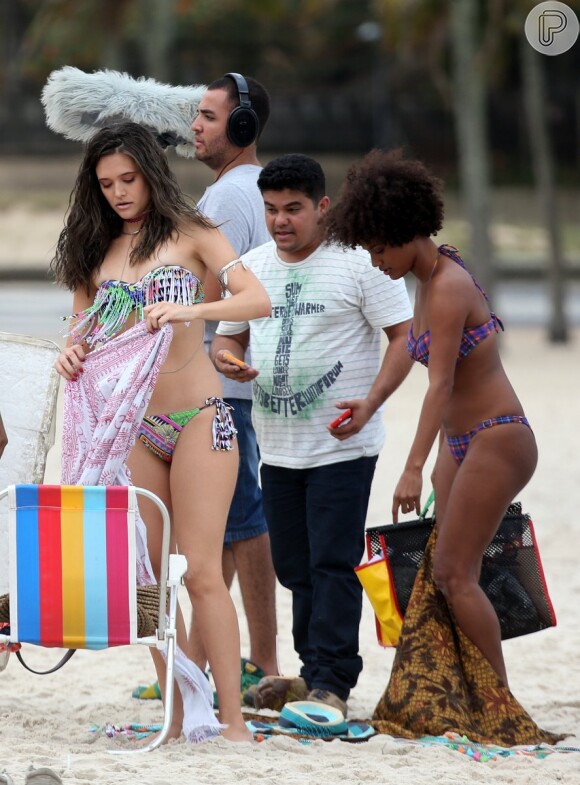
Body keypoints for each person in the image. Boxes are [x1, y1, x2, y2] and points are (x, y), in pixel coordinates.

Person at [324, 148, 562, 744]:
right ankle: (477, 694)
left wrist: (412, 465)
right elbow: (409, 347)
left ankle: (497, 707)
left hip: (498, 438)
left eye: (378, 247)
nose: (375, 260)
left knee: (456, 574)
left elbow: (442, 382)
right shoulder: (426, 279)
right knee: (451, 571)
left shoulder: (449, 286)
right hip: (464, 443)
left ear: (405, 233)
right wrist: (371, 403)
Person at [51, 121, 270, 743]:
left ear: (150, 172)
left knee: (200, 570)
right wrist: (71, 354)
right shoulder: (92, 249)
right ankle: (176, 712)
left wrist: (193, 309)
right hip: (133, 426)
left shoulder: (193, 234)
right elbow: (81, 332)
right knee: (145, 576)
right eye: (106, 184)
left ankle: (232, 722)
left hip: (202, 416)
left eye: (128, 179)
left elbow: (255, 300)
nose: (119, 193)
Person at [211, 154, 413, 718]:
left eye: (294, 209)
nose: (281, 221)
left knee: (333, 561)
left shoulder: (358, 265)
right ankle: (309, 673)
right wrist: (229, 362)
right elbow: (226, 339)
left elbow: (404, 338)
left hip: (343, 443)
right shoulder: (252, 267)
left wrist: (371, 401)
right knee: (294, 568)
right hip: (277, 446)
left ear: (322, 207)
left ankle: (333, 683)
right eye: (272, 209)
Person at [187, 72, 280, 691]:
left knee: (244, 521)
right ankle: (210, 662)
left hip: (224, 385)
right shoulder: (256, 190)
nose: (195, 125)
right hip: (236, 380)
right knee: (222, 524)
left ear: (241, 129)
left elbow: (210, 294)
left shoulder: (224, 200)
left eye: (209, 117)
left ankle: (264, 663)